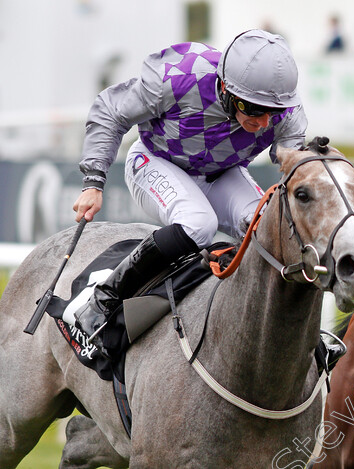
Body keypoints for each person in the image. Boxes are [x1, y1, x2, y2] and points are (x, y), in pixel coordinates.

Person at [72, 29, 307, 352]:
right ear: (225, 89)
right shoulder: (179, 75)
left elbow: (296, 170)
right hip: (154, 160)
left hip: (222, 173)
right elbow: (110, 110)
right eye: (254, 110)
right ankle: (104, 297)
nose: (266, 122)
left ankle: (298, 339)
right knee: (200, 223)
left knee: (269, 225)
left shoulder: (286, 108)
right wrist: (93, 182)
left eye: (273, 112)